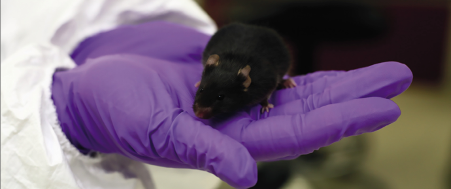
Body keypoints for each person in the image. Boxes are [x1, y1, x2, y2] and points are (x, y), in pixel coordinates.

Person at [1, 1, 413, 189]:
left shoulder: (255, 77)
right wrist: (64, 116)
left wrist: (108, 34)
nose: (201, 111)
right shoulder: (219, 76)